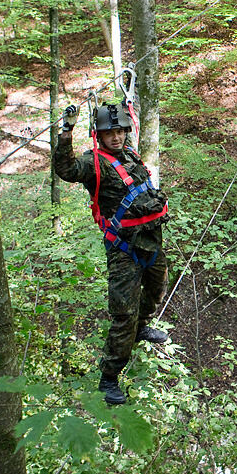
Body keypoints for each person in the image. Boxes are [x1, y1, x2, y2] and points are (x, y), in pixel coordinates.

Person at [53, 102, 170, 405]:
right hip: (123, 249)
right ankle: (108, 377)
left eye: (120, 131)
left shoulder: (130, 154)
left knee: (157, 289)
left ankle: (143, 327)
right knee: (123, 313)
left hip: (151, 239)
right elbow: (66, 169)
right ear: (99, 135)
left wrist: (130, 101)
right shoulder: (95, 164)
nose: (116, 137)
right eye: (109, 133)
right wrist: (66, 132)